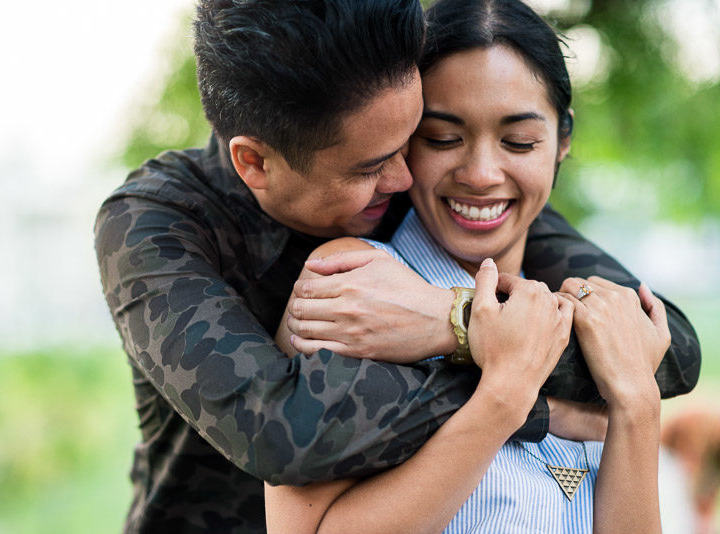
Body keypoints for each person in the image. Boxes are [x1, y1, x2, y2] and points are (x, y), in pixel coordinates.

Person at [93, 0, 700, 532]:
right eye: (371, 166)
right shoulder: (160, 225)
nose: (405, 178)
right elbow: (282, 430)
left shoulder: (436, 193)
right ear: (255, 163)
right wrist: (520, 389)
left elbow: (666, 347)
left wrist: (443, 319)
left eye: (412, 138)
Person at [265, 0, 674, 532]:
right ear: (402, 140)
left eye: (519, 141)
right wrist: (502, 398)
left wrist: (637, 404)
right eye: (442, 138)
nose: (481, 174)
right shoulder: (351, 284)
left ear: (563, 141)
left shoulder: (589, 321)